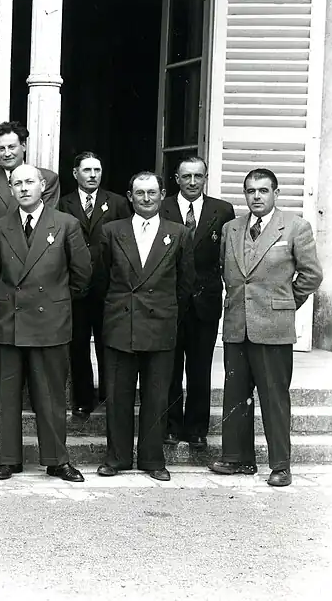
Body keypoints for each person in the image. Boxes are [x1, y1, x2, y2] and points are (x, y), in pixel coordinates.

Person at [209, 168, 323, 487]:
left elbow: (312, 275)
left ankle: (280, 465)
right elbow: (226, 272)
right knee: (235, 395)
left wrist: (285, 303)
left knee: (274, 397)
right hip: (236, 325)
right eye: (250, 191)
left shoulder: (295, 227)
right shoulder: (231, 229)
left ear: (275, 193)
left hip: (273, 327)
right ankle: (237, 458)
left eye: (262, 190)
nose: (256, 196)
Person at [0, 164, 89, 483]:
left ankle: (57, 460)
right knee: (9, 394)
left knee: (51, 396)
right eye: (17, 183)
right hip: (11, 321)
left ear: (42, 185)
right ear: (10, 189)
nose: (24, 188)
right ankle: (9, 459)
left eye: (30, 181)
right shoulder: (1, 226)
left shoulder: (66, 224)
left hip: (50, 323)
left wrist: (56, 302)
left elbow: (82, 275)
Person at [95, 171, 194, 482]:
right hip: (120, 323)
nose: (147, 198)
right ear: (130, 196)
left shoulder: (177, 233)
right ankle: (118, 458)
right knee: (118, 395)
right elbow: (100, 280)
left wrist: (165, 314)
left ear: (162, 194)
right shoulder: (112, 230)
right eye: (140, 193)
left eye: (152, 192)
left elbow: (185, 283)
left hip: (160, 325)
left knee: (156, 397)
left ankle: (153, 460)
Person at [0, 121, 60, 415]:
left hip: (37, 275)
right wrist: (5, 256)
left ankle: (33, 394)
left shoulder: (46, 179)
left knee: (34, 331)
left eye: (11, 146)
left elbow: (49, 224)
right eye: (0, 148)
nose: (6, 153)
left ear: (23, 146)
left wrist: (24, 260)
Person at [160, 156, 235, 450]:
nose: (192, 182)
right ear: (176, 179)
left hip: (206, 300)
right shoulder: (162, 207)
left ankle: (197, 428)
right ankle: (170, 425)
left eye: (198, 176)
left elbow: (227, 254)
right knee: (170, 368)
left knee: (200, 368)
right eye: (186, 176)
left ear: (206, 178)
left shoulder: (222, 210)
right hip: (170, 301)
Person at [57, 151, 131, 419]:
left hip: (108, 285)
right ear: (75, 173)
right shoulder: (63, 204)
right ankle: (83, 400)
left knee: (107, 343)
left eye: (97, 170)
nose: (92, 175)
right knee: (77, 345)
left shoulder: (118, 203)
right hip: (76, 286)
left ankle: (109, 395)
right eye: (87, 170)